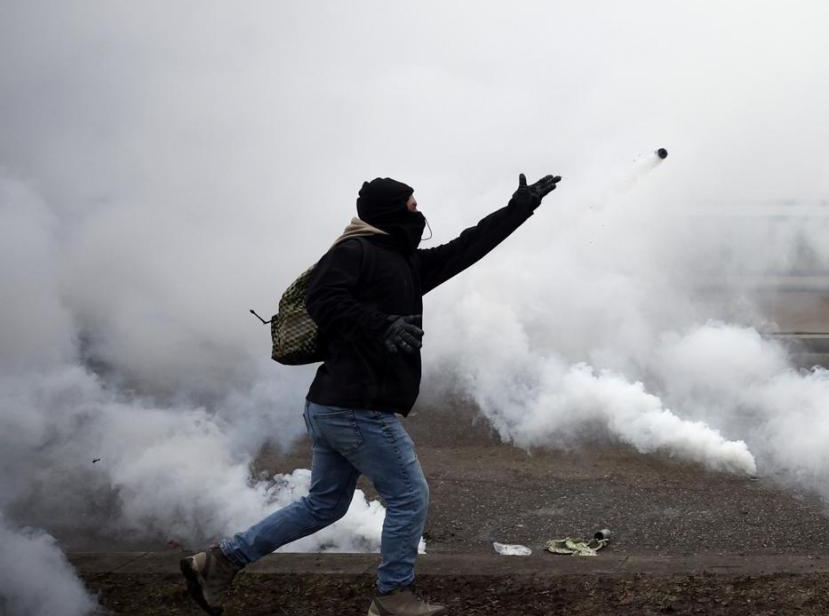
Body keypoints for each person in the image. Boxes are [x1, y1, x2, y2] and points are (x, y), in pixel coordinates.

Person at [181, 173, 561, 616]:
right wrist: (381, 325)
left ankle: (221, 561)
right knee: (409, 496)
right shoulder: (353, 252)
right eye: (412, 206)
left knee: (324, 505)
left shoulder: (403, 262)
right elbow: (323, 300)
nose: (419, 213)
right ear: (390, 212)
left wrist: (519, 208)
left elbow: (464, 249)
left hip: (335, 405)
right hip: (356, 408)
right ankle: (393, 596)